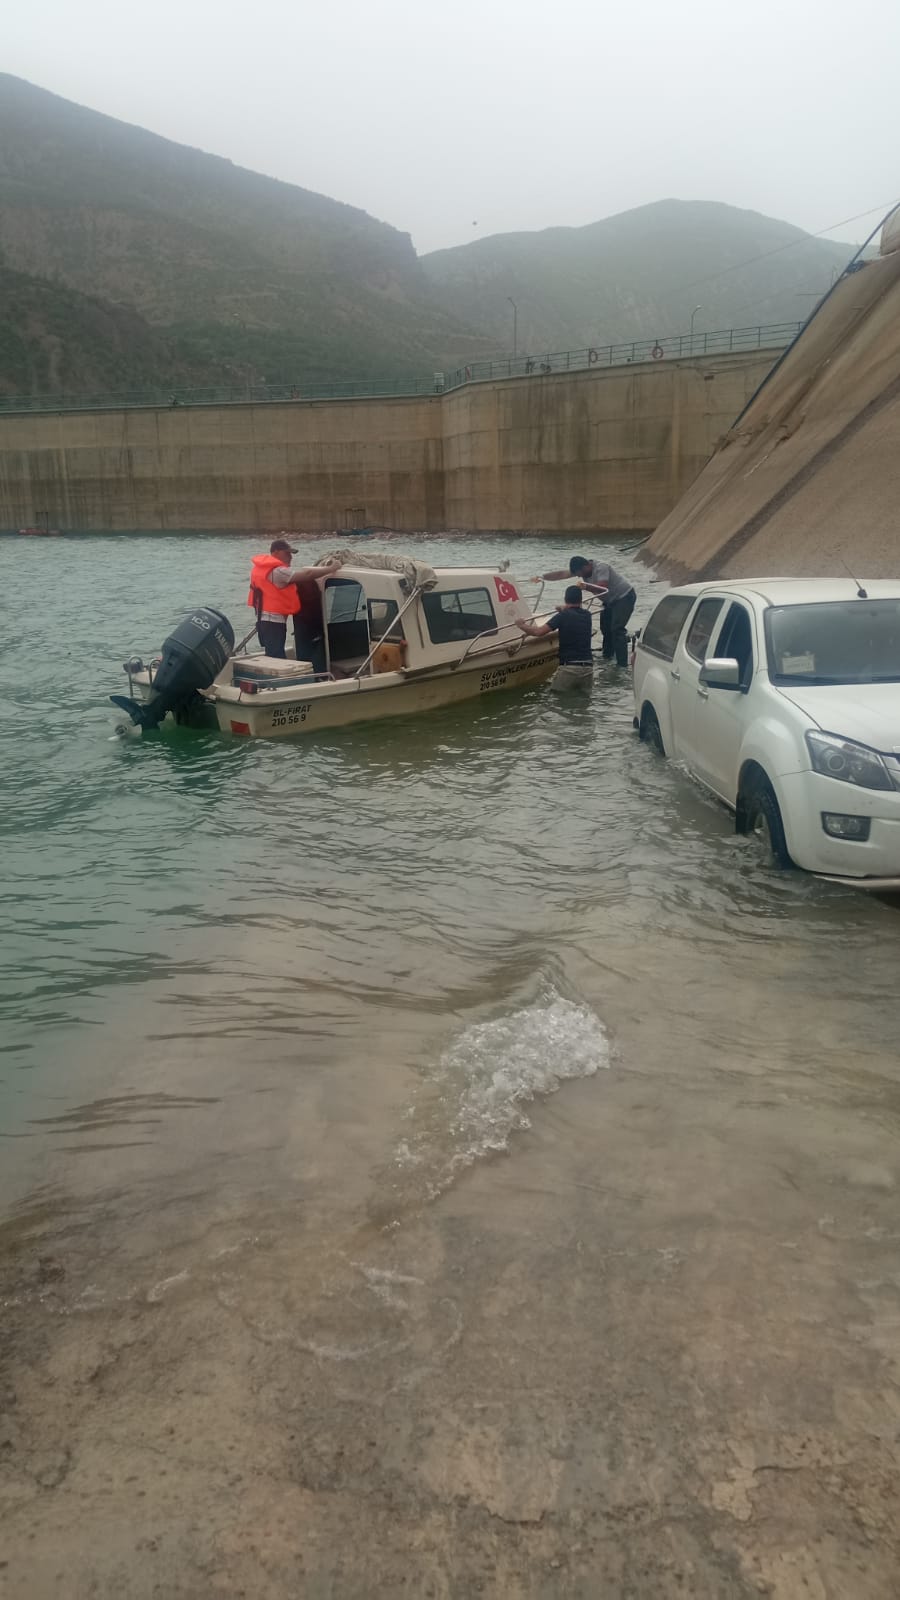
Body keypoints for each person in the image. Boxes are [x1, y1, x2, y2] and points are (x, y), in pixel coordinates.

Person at [247, 540, 340, 663]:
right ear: (275, 552)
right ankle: (280, 682)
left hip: (264, 620)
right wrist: (332, 568)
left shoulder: (260, 569)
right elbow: (308, 574)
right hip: (273, 622)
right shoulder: (278, 572)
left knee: (273, 654)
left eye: (291, 554)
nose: (290, 557)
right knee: (276, 658)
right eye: (287, 553)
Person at [539, 556, 636, 667]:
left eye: (580, 573)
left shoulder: (601, 567)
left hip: (624, 597)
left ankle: (621, 665)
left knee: (616, 629)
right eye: (577, 574)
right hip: (609, 601)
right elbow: (561, 574)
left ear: (586, 566)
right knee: (605, 629)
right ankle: (607, 657)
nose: (580, 576)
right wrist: (542, 577)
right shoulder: (581, 569)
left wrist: (586, 587)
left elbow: (602, 589)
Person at [516, 585, 593, 692]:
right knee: (583, 705)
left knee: (557, 700)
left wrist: (521, 625)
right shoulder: (587, 615)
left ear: (565, 599)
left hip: (569, 668)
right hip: (588, 668)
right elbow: (574, 612)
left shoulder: (563, 616)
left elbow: (538, 632)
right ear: (581, 600)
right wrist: (563, 608)